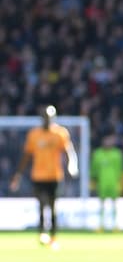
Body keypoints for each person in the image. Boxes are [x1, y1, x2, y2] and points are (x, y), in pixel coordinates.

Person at [9, 105, 77, 248]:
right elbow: (27, 155)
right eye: (46, 117)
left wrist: (72, 165)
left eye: (50, 117)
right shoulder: (34, 134)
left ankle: (53, 237)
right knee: (41, 205)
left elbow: (68, 150)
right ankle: (42, 233)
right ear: (42, 118)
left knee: (52, 207)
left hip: (54, 176)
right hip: (38, 176)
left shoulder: (60, 133)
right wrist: (18, 174)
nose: (48, 120)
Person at [90, 134, 123, 232]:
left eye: (110, 139)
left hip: (114, 183)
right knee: (101, 205)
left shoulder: (117, 154)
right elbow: (94, 169)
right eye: (107, 139)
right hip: (102, 183)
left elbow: (121, 169)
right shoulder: (98, 154)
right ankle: (101, 225)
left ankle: (115, 225)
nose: (108, 142)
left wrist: (121, 182)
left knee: (115, 205)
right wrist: (93, 181)